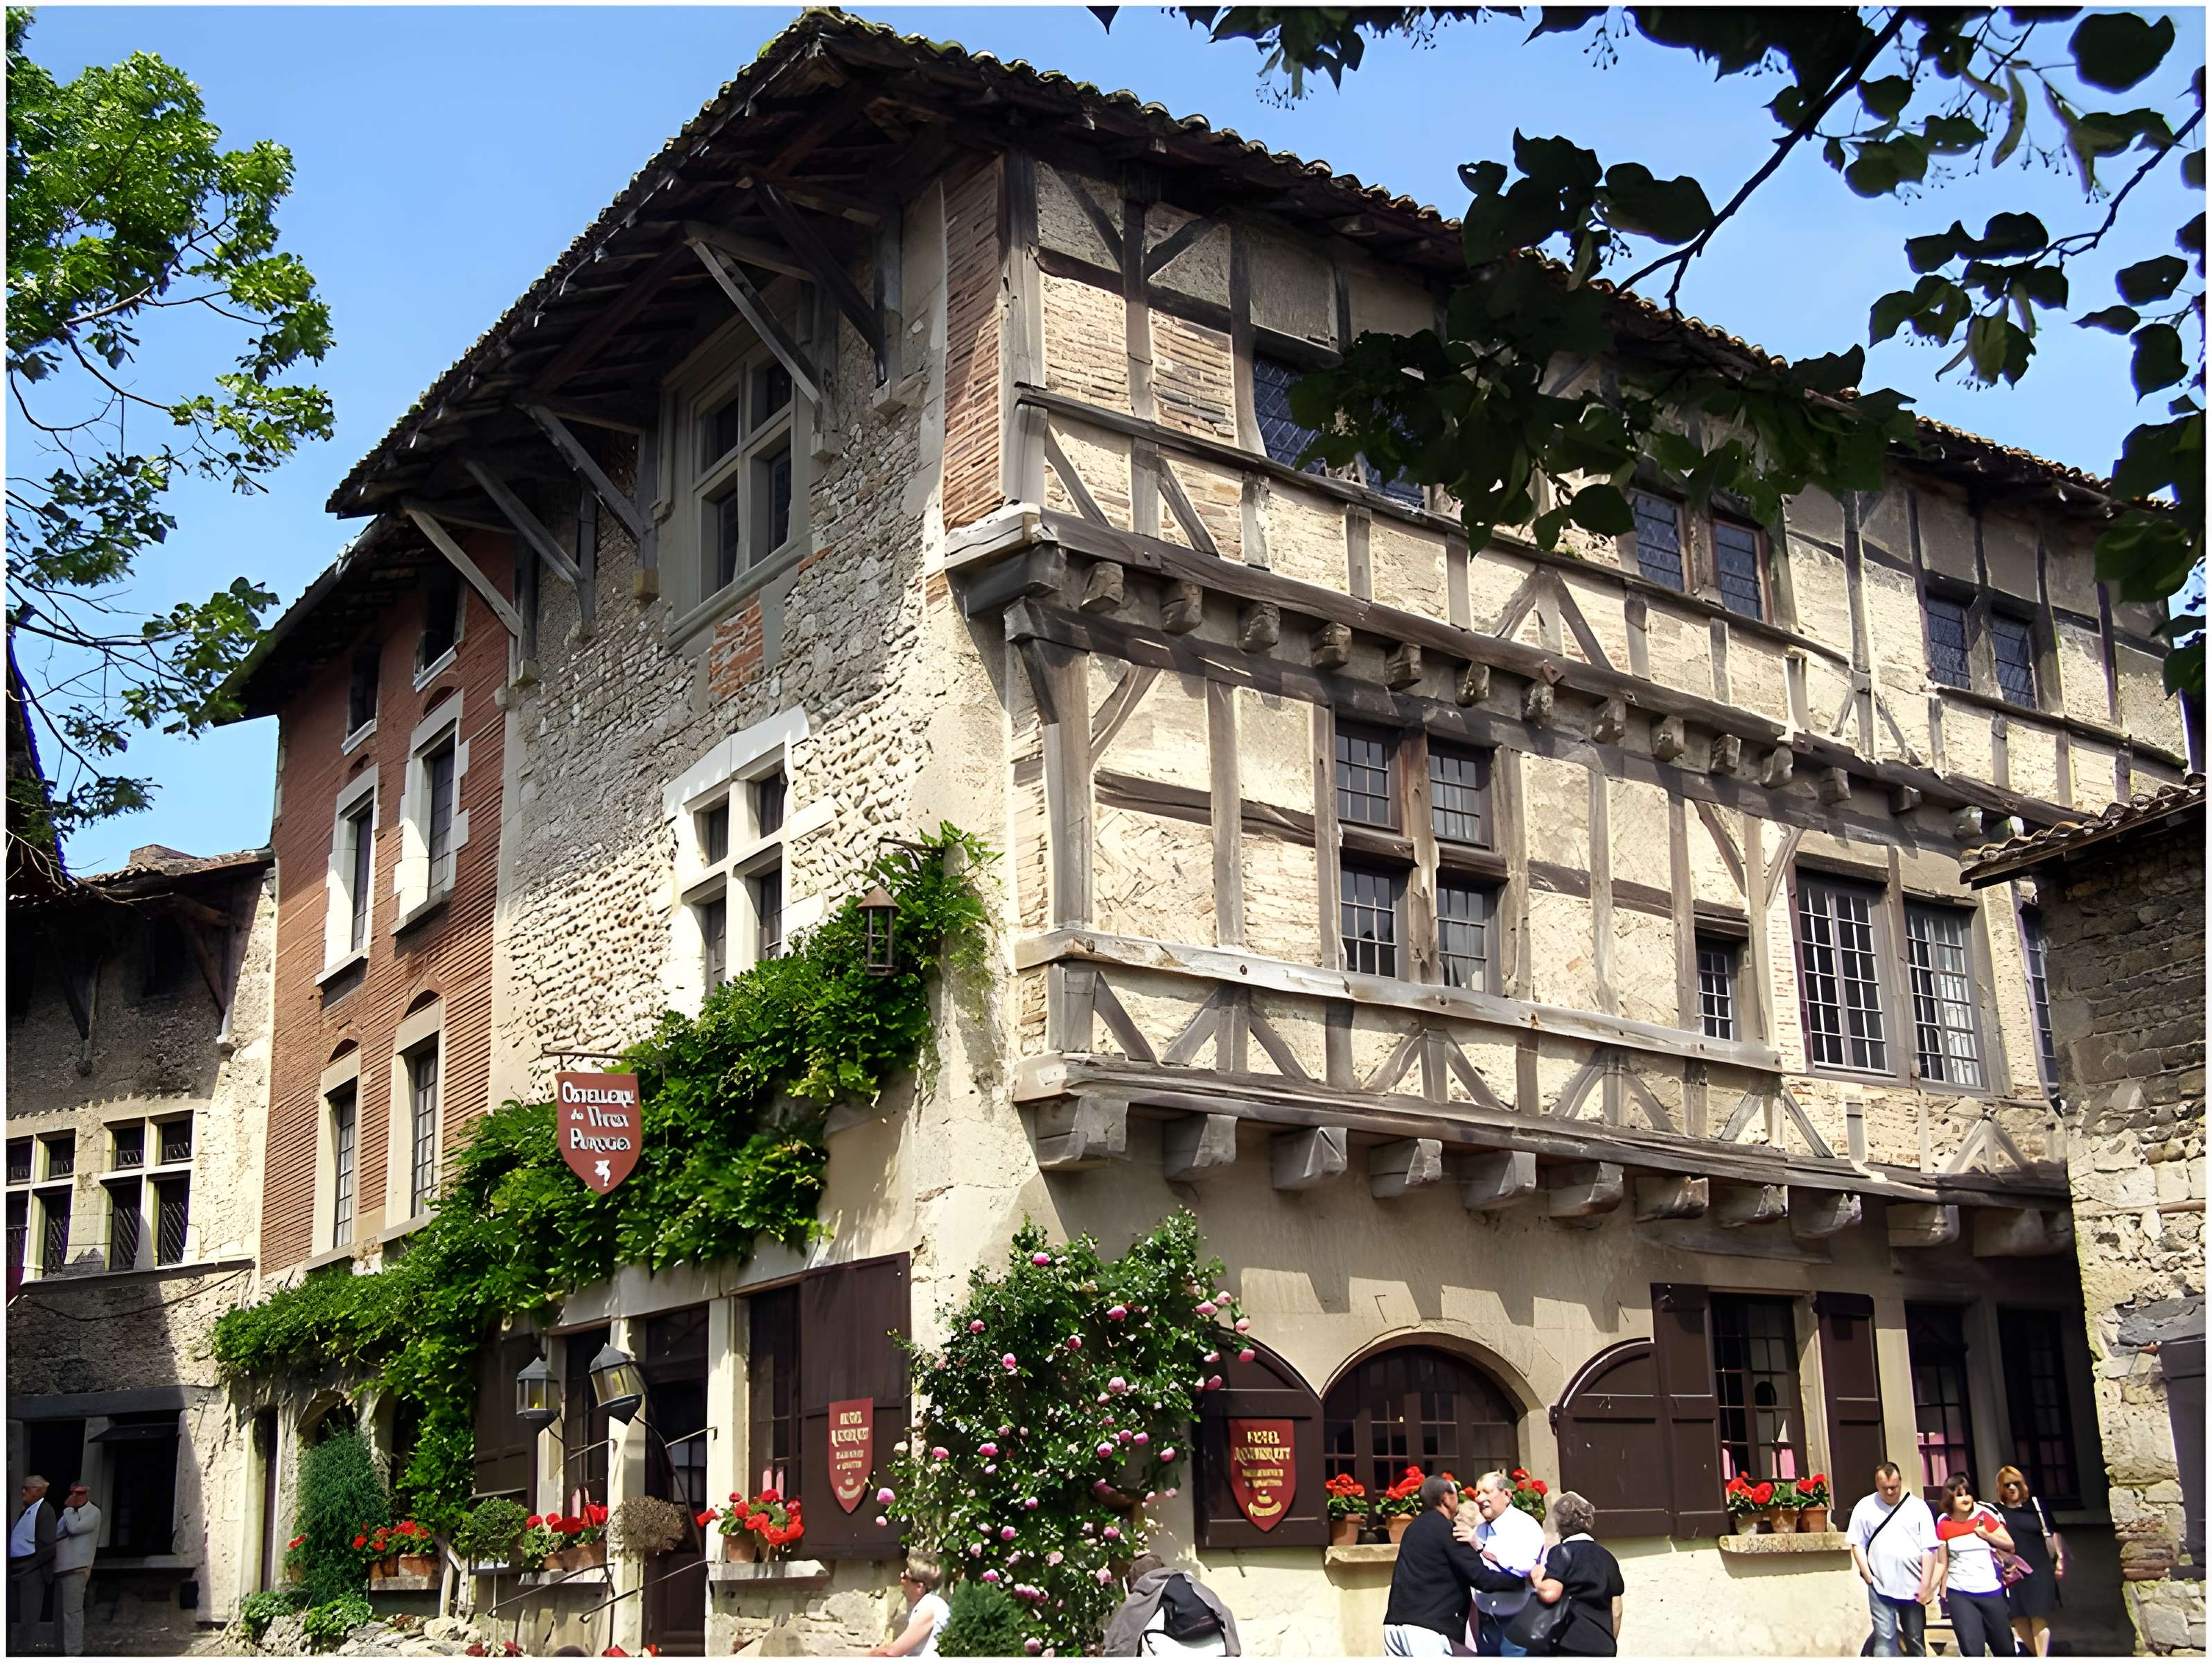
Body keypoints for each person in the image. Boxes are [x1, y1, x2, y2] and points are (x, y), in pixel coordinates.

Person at [1383, 1475, 1493, 1657]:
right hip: (1424, 1633)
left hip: (1395, 1628)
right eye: (1456, 1495)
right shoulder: (1445, 1530)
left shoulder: (1413, 1528)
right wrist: (1520, 1582)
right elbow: (1480, 1576)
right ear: (1446, 1499)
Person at [1847, 1461, 1941, 1657]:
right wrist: (1868, 1575)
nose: (1890, 1492)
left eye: (1894, 1487)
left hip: (1912, 1586)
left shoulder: (1917, 1507)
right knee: (1885, 1637)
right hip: (1880, 1585)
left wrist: (1926, 1584)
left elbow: (1930, 1548)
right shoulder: (1865, 1507)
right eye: (1885, 1488)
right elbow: (1857, 1543)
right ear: (1877, 1485)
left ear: (1900, 1482)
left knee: (1914, 1639)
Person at [1521, 1492, 1624, 1656]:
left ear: (1559, 1524)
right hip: (1603, 1646)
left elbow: (1550, 1593)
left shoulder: (1561, 1553)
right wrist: (1610, 1641)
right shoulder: (1607, 1557)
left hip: (1569, 1646)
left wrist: (1537, 1577)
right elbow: (1616, 1608)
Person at [1461, 1471, 1546, 1657]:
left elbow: (1525, 1569)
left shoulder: (1525, 1525)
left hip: (1519, 1620)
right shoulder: (1479, 1530)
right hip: (1487, 1624)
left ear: (1507, 1495)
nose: (1480, 1498)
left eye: (1486, 1491)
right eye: (1477, 1493)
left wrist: (1482, 1548)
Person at [1934, 1472, 2017, 1657]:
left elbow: (2010, 1545)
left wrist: (1986, 1535)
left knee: (2004, 1649)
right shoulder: (1943, 1524)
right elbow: (1943, 1560)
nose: (1966, 1498)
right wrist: (1941, 1587)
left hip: (1990, 1591)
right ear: (1950, 1498)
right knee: (1972, 1651)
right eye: (1960, 1494)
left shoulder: (1983, 1517)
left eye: (1968, 1493)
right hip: (1960, 1593)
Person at [1103, 1552, 1242, 1657]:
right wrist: (1234, 1652)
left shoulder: (1145, 1591)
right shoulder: (1190, 1582)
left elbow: (1121, 1640)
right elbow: (1224, 1612)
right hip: (1218, 1647)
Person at [1992, 1466, 2062, 1657]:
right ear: (2000, 1487)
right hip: (2013, 1573)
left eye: (2016, 1483)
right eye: (2007, 1485)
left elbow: (2052, 1532)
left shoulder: (2036, 1506)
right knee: (2019, 1620)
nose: (2012, 1488)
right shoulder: (1995, 1511)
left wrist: (2061, 1559)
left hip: (2039, 1570)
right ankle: (2037, 1656)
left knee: (2039, 1618)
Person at [9, 1475, 58, 1654]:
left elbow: (48, 1546)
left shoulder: (46, 1511)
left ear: (38, 1491)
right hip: (17, 1569)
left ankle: (25, 1650)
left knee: (29, 1614)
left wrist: (33, 1565)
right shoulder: (26, 1511)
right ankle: (17, 1648)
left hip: (32, 1570)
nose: (23, 1491)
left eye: (27, 1488)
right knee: (15, 1612)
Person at [868, 1554, 951, 1657]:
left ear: (919, 1587)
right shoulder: (929, 1604)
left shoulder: (929, 1607)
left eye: (905, 1577)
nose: (901, 1581)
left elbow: (892, 1652)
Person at [51, 1481, 99, 1656]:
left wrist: (68, 1510)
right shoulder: (70, 1514)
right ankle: (59, 1649)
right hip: (61, 1568)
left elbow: (74, 1529)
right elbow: (57, 1533)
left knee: (73, 1611)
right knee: (59, 1612)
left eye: (80, 1494)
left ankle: (74, 1651)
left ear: (86, 1494)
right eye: (74, 1493)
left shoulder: (93, 1512)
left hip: (77, 1567)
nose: (76, 1497)